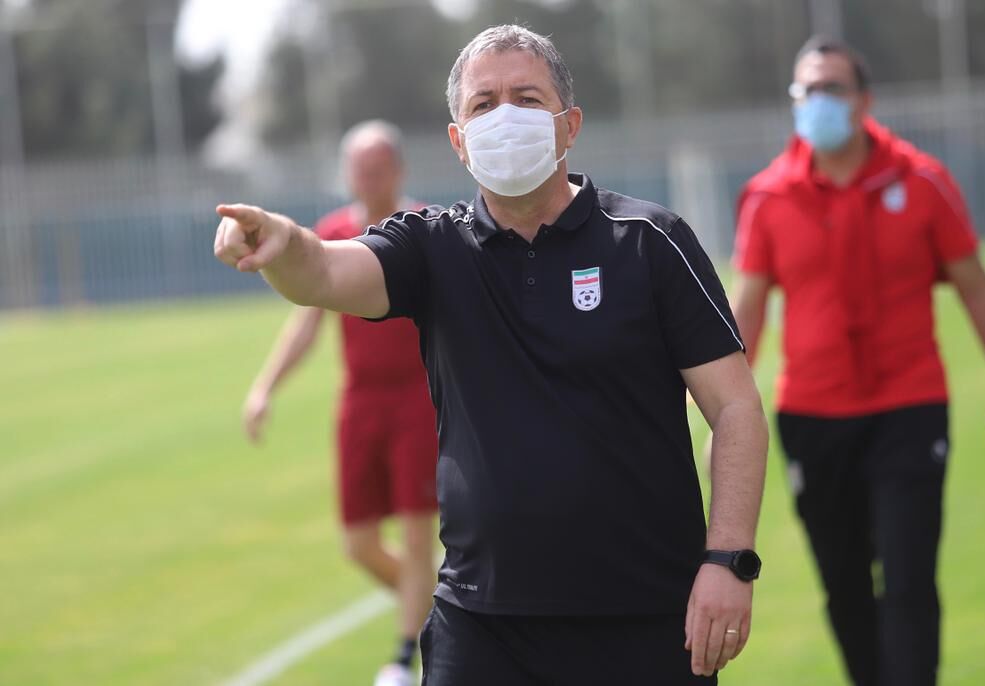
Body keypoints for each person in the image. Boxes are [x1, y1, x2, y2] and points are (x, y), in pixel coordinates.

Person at [216, 25, 768, 685]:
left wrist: (729, 560)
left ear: (570, 126)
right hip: (480, 626)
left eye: (527, 99)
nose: (505, 117)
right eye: (483, 104)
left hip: (646, 616)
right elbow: (325, 272)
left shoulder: (651, 242)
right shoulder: (430, 247)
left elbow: (736, 409)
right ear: (459, 140)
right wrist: (282, 240)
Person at [731, 36, 985, 686]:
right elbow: (746, 311)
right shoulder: (769, 196)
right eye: (807, 89)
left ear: (864, 101)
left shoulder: (921, 181)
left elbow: (976, 288)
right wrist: (723, 412)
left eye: (832, 88)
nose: (818, 100)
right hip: (812, 415)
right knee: (844, 586)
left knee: (908, 578)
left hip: (908, 408)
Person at [241, 121, 438, 686]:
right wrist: (265, 387)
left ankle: (402, 658)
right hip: (361, 402)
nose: (368, 180)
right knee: (358, 543)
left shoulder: (425, 230)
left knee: (418, 536)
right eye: (359, 170)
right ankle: (444, 612)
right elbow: (306, 325)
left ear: (398, 171)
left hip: (418, 400)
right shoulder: (330, 235)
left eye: (378, 169)